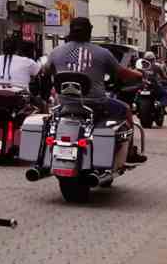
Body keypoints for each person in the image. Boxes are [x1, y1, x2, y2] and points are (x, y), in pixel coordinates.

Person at [46, 17, 147, 163]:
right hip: (95, 103)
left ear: (70, 31)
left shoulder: (56, 52)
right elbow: (121, 73)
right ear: (90, 31)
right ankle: (130, 152)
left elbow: (45, 71)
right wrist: (138, 74)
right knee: (125, 109)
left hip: (64, 104)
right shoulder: (102, 53)